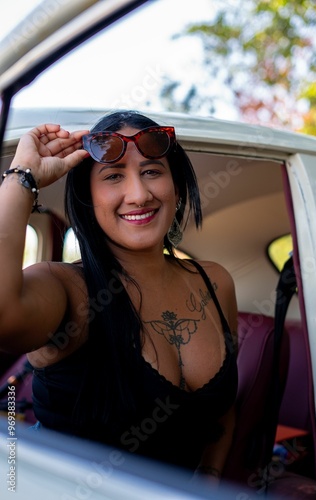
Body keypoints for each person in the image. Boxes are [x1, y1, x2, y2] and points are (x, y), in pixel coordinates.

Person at [0, 110, 238, 482]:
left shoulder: (215, 282)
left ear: (175, 185)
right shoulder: (65, 287)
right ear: (87, 199)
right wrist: (23, 176)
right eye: (113, 176)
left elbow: (223, 411)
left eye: (152, 171)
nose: (139, 194)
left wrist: (207, 479)